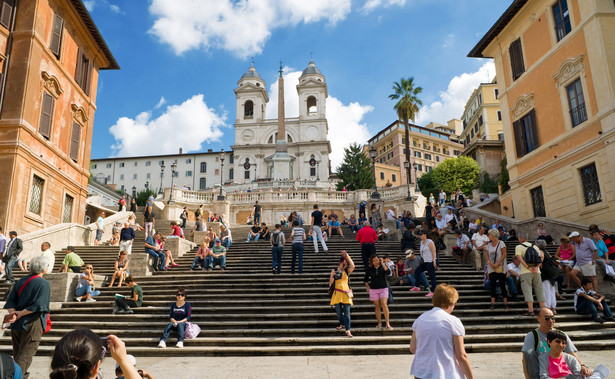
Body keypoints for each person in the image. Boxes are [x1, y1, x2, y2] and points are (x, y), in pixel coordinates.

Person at [410, 284, 473, 379]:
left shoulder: (420, 319)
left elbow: (413, 348)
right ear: (450, 303)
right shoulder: (453, 321)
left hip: (421, 372)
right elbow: (461, 355)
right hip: (444, 373)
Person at [4, 256, 50, 378]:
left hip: (16, 323)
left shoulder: (20, 281)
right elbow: (39, 305)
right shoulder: (43, 283)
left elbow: (10, 301)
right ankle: (14, 376)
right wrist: (21, 313)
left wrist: (14, 313)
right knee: (25, 357)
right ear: (44, 269)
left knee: (18, 354)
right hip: (32, 322)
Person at [522, 308, 593, 379]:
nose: (551, 321)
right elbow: (526, 360)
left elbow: (571, 353)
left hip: (560, 370)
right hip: (541, 370)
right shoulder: (532, 336)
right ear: (538, 318)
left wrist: (582, 365)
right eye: (547, 318)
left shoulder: (560, 334)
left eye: (552, 318)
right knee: (529, 354)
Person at [538, 330, 609, 379]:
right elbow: (543, 377)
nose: (561, 345)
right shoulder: (542, 358)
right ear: (549, 342)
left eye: (564, 343)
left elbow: (578, 376)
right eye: (558, 341)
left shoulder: (570, 358)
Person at [516, 235, 545, 316]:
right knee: (539, 290)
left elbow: (519, 258)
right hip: (537, 272)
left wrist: (528, 267)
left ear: (520, 238)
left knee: (527, 290)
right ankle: (543, 311)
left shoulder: (519, 246)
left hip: (525, 272)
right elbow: (541, 258)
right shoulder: (535, 247)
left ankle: (531, 310)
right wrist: (536, 267)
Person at [363, 253, 392, 330]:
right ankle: (379, 322)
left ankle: (387, 323)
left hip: (383, 288)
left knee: (384, 304)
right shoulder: (370, 269)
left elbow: (388, 273)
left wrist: (383, 263)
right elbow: (365, 279)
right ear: (371, 262)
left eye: (377, 260)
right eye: (374, 261)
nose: (376, 262)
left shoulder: (383, 266)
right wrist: (367, 286)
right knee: (377, 306)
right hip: (373, 289)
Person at [330, 251, 355, 338]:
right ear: (339, 263)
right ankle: (342, 323)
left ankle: (348, 329)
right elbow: (330, 284)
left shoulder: (347, 271)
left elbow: (353, 266)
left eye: (345, 264)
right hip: (337, 293)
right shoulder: (335, 270)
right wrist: (333, 276)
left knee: (347, 313)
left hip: (346, 294)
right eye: (342, 263)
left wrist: (347, 256)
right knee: (339, 312)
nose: (344, 265)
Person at [485, 229, 509, 310]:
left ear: (493, 235)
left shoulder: (501, 243)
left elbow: (504, 254)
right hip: (491, 268)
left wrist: (497, 263)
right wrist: (490, 263)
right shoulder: (488, 245)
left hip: (500, 267)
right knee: (493, 285)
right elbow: (487, 255)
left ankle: (505, 304)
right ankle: (492, 304)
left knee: (502, 285)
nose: (488, 236)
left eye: (489, 234)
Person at [410, 230, 438, 297]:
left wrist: (434, 260)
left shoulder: (429, 241)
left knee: (432, 276)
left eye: (421, 234)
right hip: (424, 261)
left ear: (425, 234)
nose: (420, 236)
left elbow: (434, 251)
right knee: (417, 271)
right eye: (420, 235)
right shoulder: (421, 242)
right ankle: (417, 286)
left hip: (430, 261)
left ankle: (433, 291)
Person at [536, 240, 557, 314]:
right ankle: (553, 309)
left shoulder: (540, 252)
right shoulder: (547, 252)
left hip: (545, 274)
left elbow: (540, 262)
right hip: (551, 274)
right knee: (551, 292)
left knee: (546, 292)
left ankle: (547, 308)